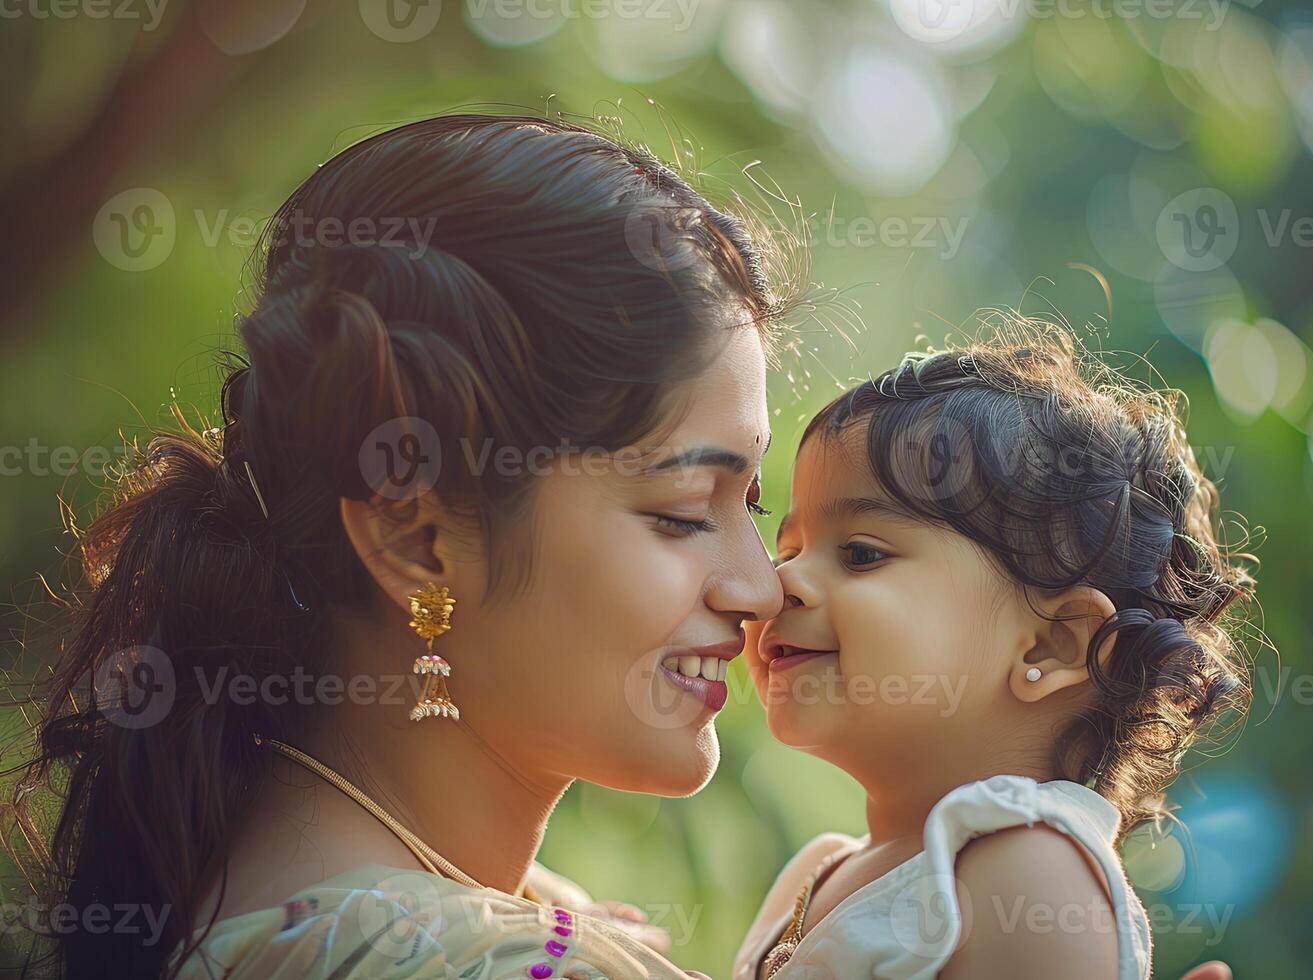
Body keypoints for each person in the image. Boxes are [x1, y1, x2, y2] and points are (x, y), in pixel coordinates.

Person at [5, 112, 1239, 980]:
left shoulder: (280, 884)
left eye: (750, 506)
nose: (761, 586)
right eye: (677, 510)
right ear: (422, 541)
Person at [736, 328, 1257, 979]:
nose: (780, 581)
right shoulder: (817, 874)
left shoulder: (1028, 869)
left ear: (1051, 641)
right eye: (788, 550)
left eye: (861, 553)